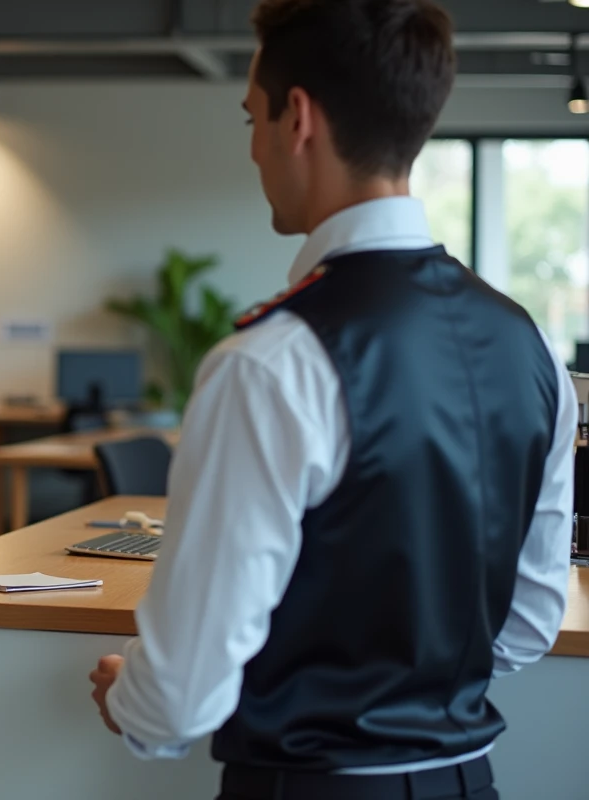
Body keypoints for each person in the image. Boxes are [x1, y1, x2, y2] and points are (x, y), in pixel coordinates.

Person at [88, 2, 576, 799]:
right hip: (469, 783)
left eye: (253, 117)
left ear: (298, 119)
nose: (252, 147)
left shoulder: (271, 360)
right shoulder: (531, 348)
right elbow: (526, 627)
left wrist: (132, 699)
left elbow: (180, 694)